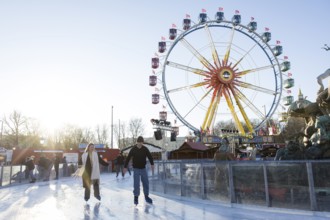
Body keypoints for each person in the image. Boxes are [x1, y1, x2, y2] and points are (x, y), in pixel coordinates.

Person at [123, 136, 154, 205]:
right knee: (136, 184)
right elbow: (128, 158)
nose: (140, 144)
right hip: (136, 169)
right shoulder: (133, 149)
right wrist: (125, 167)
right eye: (139, 142)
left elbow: (150, 156)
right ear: (137, 142)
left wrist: (152, 164)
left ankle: (146, 196)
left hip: (143, 169)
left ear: (142, 142)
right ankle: (136, 197)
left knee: (146, 182)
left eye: (141, 142)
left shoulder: (145, 149)